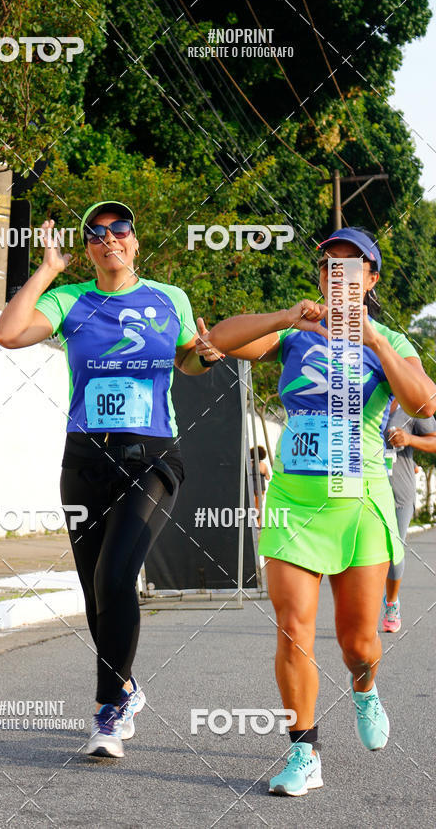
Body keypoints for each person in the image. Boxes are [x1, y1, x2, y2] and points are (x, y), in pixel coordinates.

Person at [198, 227, 436, 795]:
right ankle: (303, 752)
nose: (339, 275)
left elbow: (424, 402)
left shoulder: (394, 342)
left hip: (361, 502)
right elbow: (225, 341)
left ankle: (365, 688)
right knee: (292, 630)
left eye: (353, 267)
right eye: (330, 265)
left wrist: (373, 339)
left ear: (371, 280)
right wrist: (284, 317)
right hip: (293, 502)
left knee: (359, 645)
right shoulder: (296, 333)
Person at [0, 201, 223, 758]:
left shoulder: (169, 298)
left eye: (120, 229)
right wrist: (47, 269)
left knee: (117, 575)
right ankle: (126, 685)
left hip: (152, 458)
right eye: (96, 233)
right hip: (85, 460)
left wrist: (207, 356)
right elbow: (9, 333)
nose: (108, 239)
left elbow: (187, 360)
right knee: (96, 591)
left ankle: (108, 711)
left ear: (136, 241)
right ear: (90, 247)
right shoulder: (70, 300)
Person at [381, 398, 436, 631]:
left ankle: (391, 602)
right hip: (358, 488)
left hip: (398, 492)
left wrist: (409, 439)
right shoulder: (360, 398)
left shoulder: (410, 405)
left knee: (394, 552)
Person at [251, 444, 270, 511]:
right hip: (260, 488)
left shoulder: (250, 464)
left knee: (251, 506)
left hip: (251, 487)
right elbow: (268, 478)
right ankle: (258, 521)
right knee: (258, 507)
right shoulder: (263, 465)